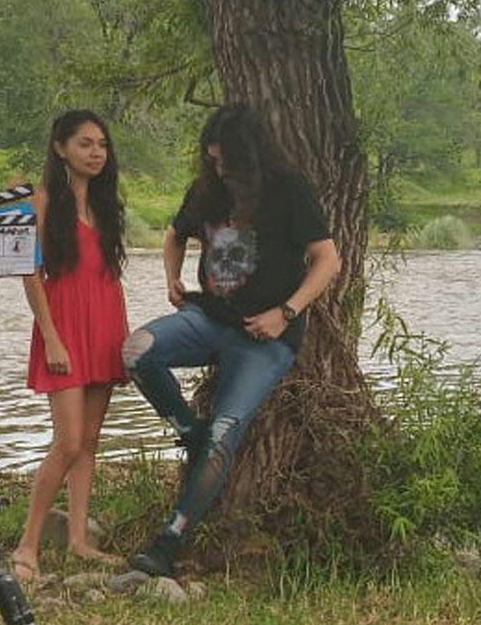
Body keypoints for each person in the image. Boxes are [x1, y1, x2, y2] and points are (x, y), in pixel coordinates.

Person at [119, 104, 341, 578]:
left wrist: (286, 313)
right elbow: (175, 235)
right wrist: (173, 278)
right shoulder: (206, 190)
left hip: (265, 339)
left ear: (252, 155)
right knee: (136, 350)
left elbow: (327, 259)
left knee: (227, 432)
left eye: (228, 162)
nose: (220, 170)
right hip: (208, 318)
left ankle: (169, 543)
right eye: (212, 160)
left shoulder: (288, 189)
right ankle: (189, 432)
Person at [10, 110, 129, 584]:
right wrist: (52, 336)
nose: (96, 152)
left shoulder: (105, 205)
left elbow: (108, 274)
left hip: (105, 325)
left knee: (91, 442)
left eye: (101, 144)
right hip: (63, 329)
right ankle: (28, 544)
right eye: (85, 143)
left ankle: (79, 539)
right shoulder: (40, 203)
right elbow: (30, 274)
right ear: (60, 148)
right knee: (69, 440)